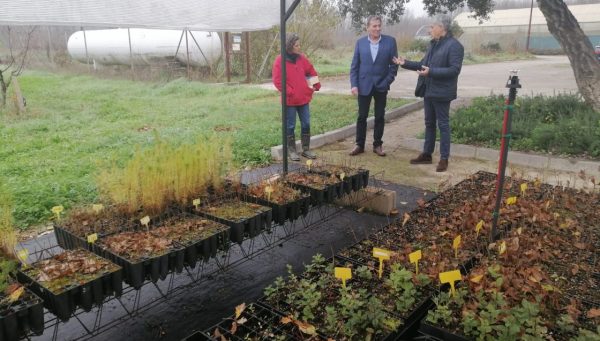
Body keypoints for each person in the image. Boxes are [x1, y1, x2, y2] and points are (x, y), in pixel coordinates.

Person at [393, 16, 464, 172]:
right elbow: (422, 65)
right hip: (429, 90)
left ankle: (444, 158)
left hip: (442, 92)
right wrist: (404, 63)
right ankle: (427, 154)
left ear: (442, 28)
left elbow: (454, 70)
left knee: (443, 125)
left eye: (432, 26)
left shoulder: (455, 46)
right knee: (429, 124)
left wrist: (431, 72)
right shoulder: (433, 44)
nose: (429, 30)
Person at [349, 15, 399, 157]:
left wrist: (387, 81)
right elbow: (354, 66)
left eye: (379, 25)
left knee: (379, 116)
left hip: (381, 85)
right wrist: (354, 85)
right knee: (362, 116)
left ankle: (378, 145)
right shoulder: (360, 43)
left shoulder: (390, 42)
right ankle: (359, 144)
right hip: (364, 85)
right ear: (368, 28)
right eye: (374, 26)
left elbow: (394, 66)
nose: (377, 28)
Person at [272, 33, 321, 161]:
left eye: (299, 45)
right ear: (289, 46)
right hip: (290, 101)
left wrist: (315, 84)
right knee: (290, 126)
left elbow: (311, 71)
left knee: (306, 123)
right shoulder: (279, 60)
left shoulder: (302, 58)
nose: (299, 47)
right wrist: (290, 91)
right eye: (296, 45)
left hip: (303, 99)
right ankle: (292, 151)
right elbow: (277, 80)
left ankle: (306, 149)